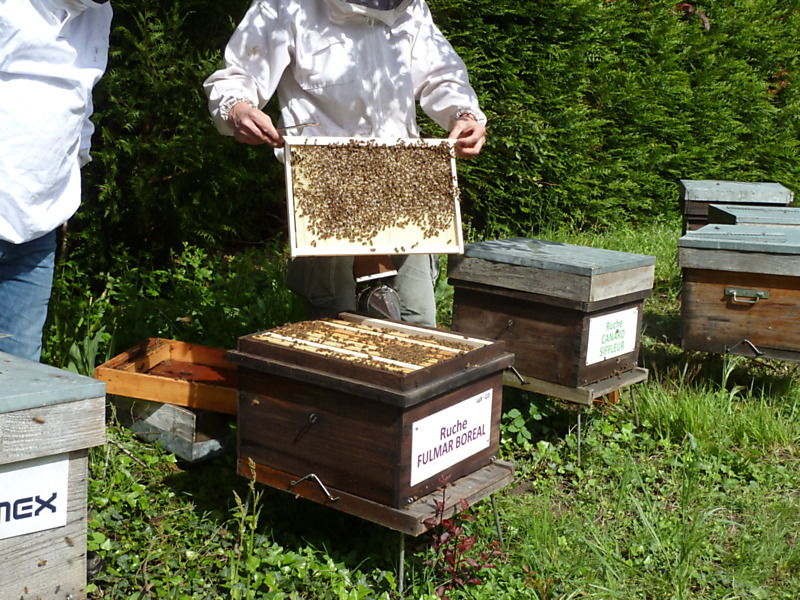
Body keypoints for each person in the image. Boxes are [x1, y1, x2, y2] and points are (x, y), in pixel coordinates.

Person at [203, 0, 486, 326]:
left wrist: (463, 113)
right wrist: (238, 109)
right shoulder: (285, 6)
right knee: (336, 328)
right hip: (327, 193)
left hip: (404, 186)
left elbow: (442, 73)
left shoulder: (410, 8)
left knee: (418, 322)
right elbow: (237, 76)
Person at [0, 0, 113, 362]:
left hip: (37, 230)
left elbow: (81, 103)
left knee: (19, 379)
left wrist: (71, 169)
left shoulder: (99, 13)